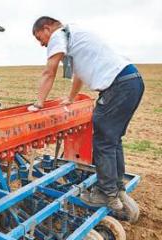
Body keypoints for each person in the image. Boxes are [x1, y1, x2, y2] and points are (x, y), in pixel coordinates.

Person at [30, 16, 144, 211]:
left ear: (47, 28)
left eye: (40, 38)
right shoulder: (74, 33)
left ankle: (105, 193)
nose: (42, 44)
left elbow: (49, 72)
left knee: (103, 140)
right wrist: (71, 98)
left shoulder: (58, 36)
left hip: (118, 87)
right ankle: (116, 187)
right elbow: (79, 74)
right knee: (113, 139)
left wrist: (39, 104)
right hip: (133, 81)